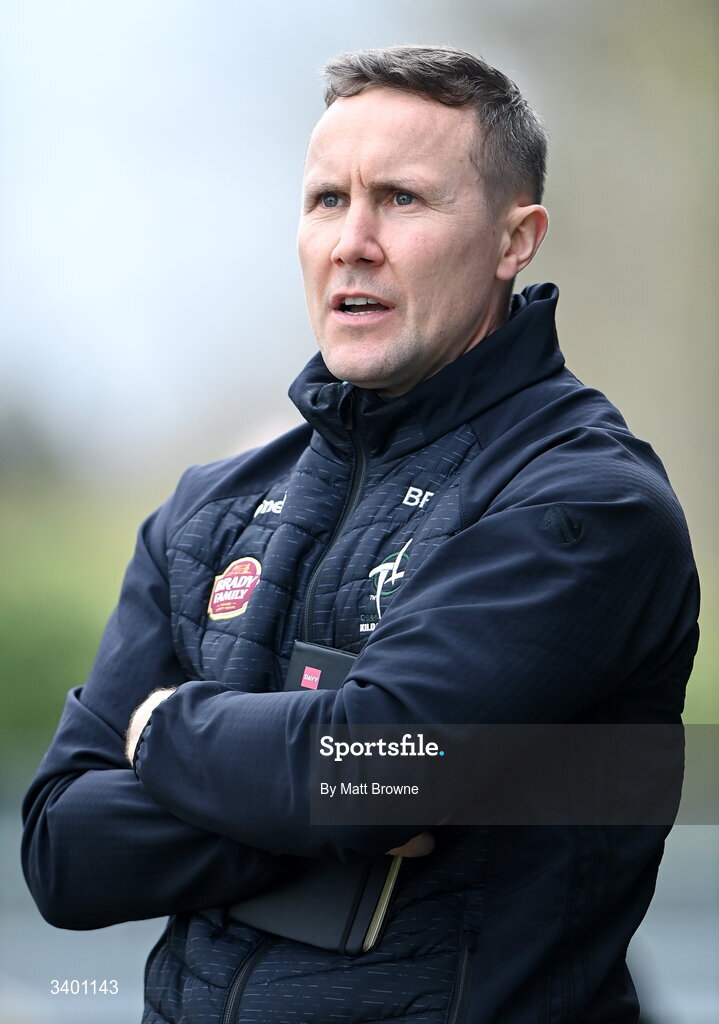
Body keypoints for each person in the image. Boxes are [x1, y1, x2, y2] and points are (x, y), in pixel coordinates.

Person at [22, 45, 699, 1023]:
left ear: (515, 239)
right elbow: (62, 849)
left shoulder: (583, 504)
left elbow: (378, 769)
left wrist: (165, 729)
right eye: (326, 200)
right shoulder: (206, 510)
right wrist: (307, 797)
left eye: (403, 200)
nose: (352, 240)